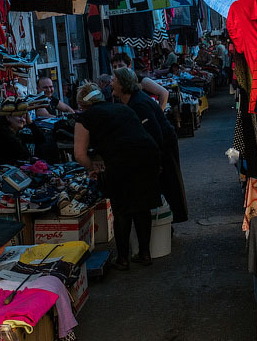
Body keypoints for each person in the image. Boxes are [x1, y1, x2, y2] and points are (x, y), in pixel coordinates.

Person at [72, 82, 161, 267]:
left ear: (82, 103)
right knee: (142, 206)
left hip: (122, 159)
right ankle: (145, 254)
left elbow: (79, 155)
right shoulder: (122, 108)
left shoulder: (85, 117)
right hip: (148, 154)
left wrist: (92, 168)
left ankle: (123, 259)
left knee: (122, 209)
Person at [113, 68, 188, 222]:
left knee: (168, 182)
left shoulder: (139, 103)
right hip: (159, 145)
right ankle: (169, 220)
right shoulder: (133, 100)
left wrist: (157, 161)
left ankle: (170, 220)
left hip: (163, 145)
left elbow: (154, 134)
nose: (111, 83)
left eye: (114, 80)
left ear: (122, 84)